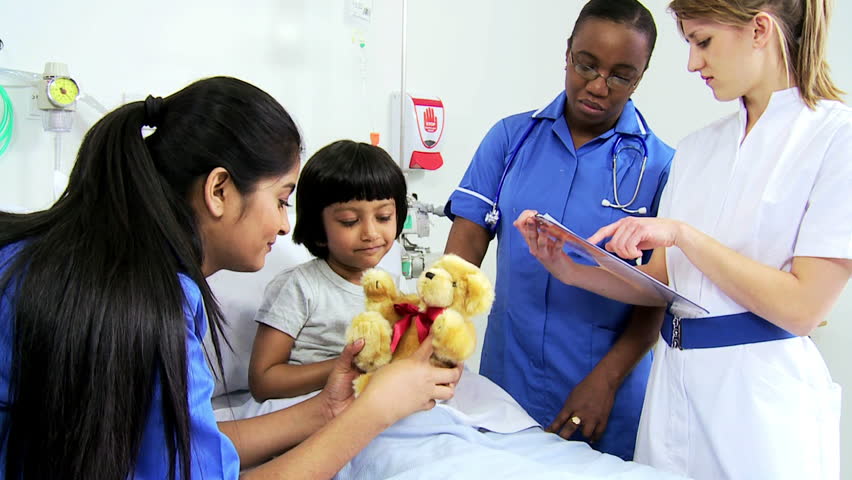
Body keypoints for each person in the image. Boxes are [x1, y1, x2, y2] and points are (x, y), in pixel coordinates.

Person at [0, 76, 461, 479]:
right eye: (282, 200)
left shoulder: (65, 261)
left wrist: (332, 407)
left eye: (384, 216)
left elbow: (180, 446)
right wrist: (376, 409)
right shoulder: (145, 306)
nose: (284, 225)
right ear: (219, 190)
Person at [515, 0, 851, 478]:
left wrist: (683, 235)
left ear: (759, 30)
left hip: (759, 405)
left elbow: (803, 307)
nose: (693, 63)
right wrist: (572, 267)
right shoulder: (698, 148)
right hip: (673, 389)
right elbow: (665, 281)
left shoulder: (836, 139)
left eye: (703, 42)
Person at [443, 0, 674, 460]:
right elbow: (461, 254)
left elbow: (660, 294)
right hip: (507, 382)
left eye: (620, 75)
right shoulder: (510, 140)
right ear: (567, 52)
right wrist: (432, 335)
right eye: (586, 64)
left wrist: (605, 382)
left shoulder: (661, 166)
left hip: (604, 392)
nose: (597, 85)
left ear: (640, 77)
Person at [248, 140, 408, 401]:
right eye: (350, 221)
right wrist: (349, 365)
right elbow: (263, 382)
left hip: (373, 404)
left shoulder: (388, 288)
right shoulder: (301, 287)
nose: (371, 233)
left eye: (383, 217)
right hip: (308, 409)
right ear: (319, 230)